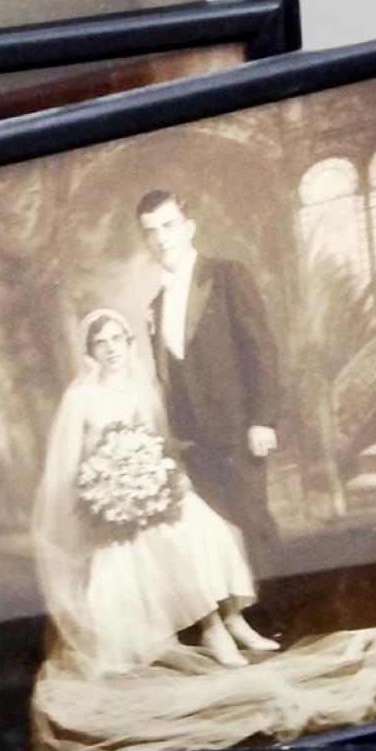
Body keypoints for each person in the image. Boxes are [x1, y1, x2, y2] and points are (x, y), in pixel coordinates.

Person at [27, 307, 260, 675]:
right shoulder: (81, 399)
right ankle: (212, 629)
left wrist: (164, 479)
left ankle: (232, 620)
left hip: (151, 490)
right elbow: (69, 464)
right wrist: (106, 492)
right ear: (91, 353)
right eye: (100, 343)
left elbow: (158, 442)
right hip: (111, 504)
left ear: (128, 343)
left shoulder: (141, 389)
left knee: (211, 530)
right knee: (170, 542)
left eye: (116, 339)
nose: (110, 348)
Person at [138, 188, 285, 644]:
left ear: (188, 227)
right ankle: (238, 623)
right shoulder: (156, 305)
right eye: (150, 232)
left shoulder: (225, 276)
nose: (161, 239)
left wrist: (262, 418)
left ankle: (280, 616)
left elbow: (260, 348)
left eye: (168, 226)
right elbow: (169, 376)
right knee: (216, 534)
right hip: (194, 442)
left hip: (238, 427)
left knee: (252, 520)